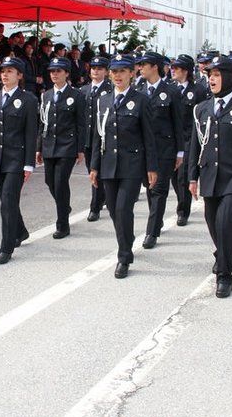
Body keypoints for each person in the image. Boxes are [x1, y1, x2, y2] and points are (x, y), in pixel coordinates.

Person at [188, 56, 232, 298]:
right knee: (211, 220)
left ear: (229, 77)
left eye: (217, 75)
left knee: (224, 221)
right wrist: (192, 177)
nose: (212, 80)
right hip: (209, 174)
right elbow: (195, 146)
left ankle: (225, 276)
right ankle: (223, 252)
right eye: (209, 75)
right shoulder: (202, 108)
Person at [89, 54, 158, 279]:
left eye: (122, 71)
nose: (117, 75)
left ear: (132, 73)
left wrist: (152, 167)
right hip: (108, 164)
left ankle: (124, 257)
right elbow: (98, 136)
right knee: (112, 209)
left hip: (131, 164)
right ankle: (126, 239)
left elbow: (149, 136)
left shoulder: (141, 100)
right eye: (114, 71)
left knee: (122, 209)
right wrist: (94, 166)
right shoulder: (103, 100)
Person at [0, 56, 38, 265]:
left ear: (20, 75)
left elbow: (30, 133)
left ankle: (6, 247)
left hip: (16, 159)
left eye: (10, 71)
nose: (5, 74)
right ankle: (21, 231)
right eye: (3, 71)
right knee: (8, 201)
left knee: (7, 203)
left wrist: (28, 163)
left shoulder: (29, 100)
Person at [136, 51, 184, 249]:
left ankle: (152, 231)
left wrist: (180, 151)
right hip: (143, 150)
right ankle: (157, 221)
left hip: (164, 148)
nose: (140, 68)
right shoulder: (137, 89)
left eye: (144, 65)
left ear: (154, 66)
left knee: (159, 190)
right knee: (149, 187)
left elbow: (178, 123)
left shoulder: (171, 91)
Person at [36, 56, 86, 238]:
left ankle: (62, 225)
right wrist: (39, 147)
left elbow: (81, 124)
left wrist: (80, 149)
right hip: (49, 144)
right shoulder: (46, 95)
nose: (54, 74)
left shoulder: (76, 95)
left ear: (66, 73)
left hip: (68, 145)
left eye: (58, 71)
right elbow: (43, 122)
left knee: (60, 182)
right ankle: (64, 205)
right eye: (52, 71)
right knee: (49, 181)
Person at [170, 54, 208, 226]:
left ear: (185, 71)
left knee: (183, 176)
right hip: (171, 138)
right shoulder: (170, 88)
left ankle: (183, 211)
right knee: (173, 176)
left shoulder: (198, 90)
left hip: (188, 138)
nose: (173, 71)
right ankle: (182, 200)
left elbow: (202, 116)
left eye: (177, 68)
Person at [81, 56, 112, 222]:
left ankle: (95, 207)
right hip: (87, 139)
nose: (96, 71)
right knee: (91, 172)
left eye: (100, 68)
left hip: (103, 139)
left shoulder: (111, 89)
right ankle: (101, 197)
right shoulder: (83, 91)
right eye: (93, 68)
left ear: (106, 72)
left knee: (97, 173)